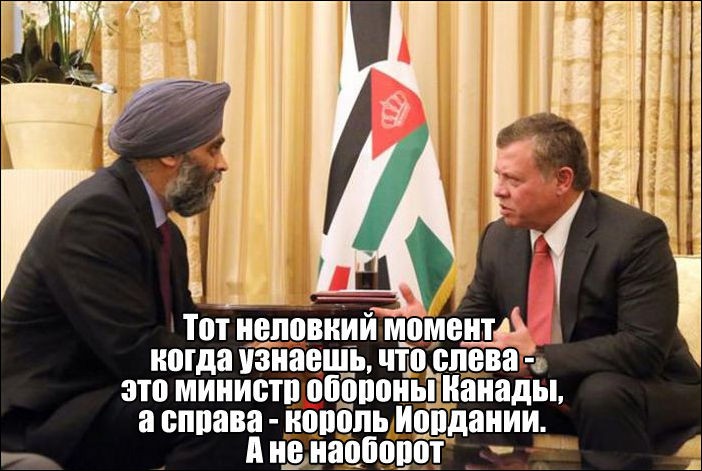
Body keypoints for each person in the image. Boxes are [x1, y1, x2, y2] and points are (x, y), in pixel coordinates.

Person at [376, 113, 701, 469]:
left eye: (513, 179)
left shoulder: (634, 236)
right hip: (550, 390)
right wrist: (429, 335)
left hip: (646, 389)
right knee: (483, 395)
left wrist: (538, 358)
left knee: (600, 394)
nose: (499, 190)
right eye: (498, 176)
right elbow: (472, 322)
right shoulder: (500, 238)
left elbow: (643, 349)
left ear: (562, 179)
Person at [1, 79, 283, 469]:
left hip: (106, 396)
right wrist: (246, 359)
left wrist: (259, 349)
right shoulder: (95, 215)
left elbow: (187, 330)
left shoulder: (160, 229)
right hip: (51, 413)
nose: (222, 164)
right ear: (171, 153)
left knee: (256, 392)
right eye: (213, 148)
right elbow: (136, 349)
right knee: (233, 404)